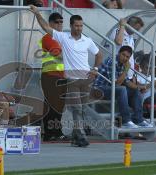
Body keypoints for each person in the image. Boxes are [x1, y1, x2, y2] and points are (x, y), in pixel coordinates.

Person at [30, 5, 103, 147]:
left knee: (76, 107)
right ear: (72, 26)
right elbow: (47, 31)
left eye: (81, 25)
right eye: (77, 25)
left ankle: (71, 135)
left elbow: (99, 54)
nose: (79, 28)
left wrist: (94, 69)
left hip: (81, 79)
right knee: (63, 106)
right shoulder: (59, 37)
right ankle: (62, 134)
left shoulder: (86, 40)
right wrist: (38, 13)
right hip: (56, 77)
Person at [94, 46, 153, 128]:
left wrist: (140, 87)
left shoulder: (122, 64)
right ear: (119, 53)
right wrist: (126, 69)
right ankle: (126, 120)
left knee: (135, 91)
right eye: (123, 55)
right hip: (99, 89)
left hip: (111, 89)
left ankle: (138, 119)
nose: (125, 58)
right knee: (122, 89)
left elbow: (126, 82)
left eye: (127, 57)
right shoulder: (112, 61)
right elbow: (117, 83)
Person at [39, 12, 67, 141]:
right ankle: (51, 133)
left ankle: (56, 131)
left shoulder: (63, 37)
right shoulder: (48, 37)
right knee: (53, 105)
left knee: (58, 106)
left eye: (61, 22)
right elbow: (58, 54)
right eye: (57, 22)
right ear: (50, 24)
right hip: (50, 75)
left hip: (61, 75)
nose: (60, 24)